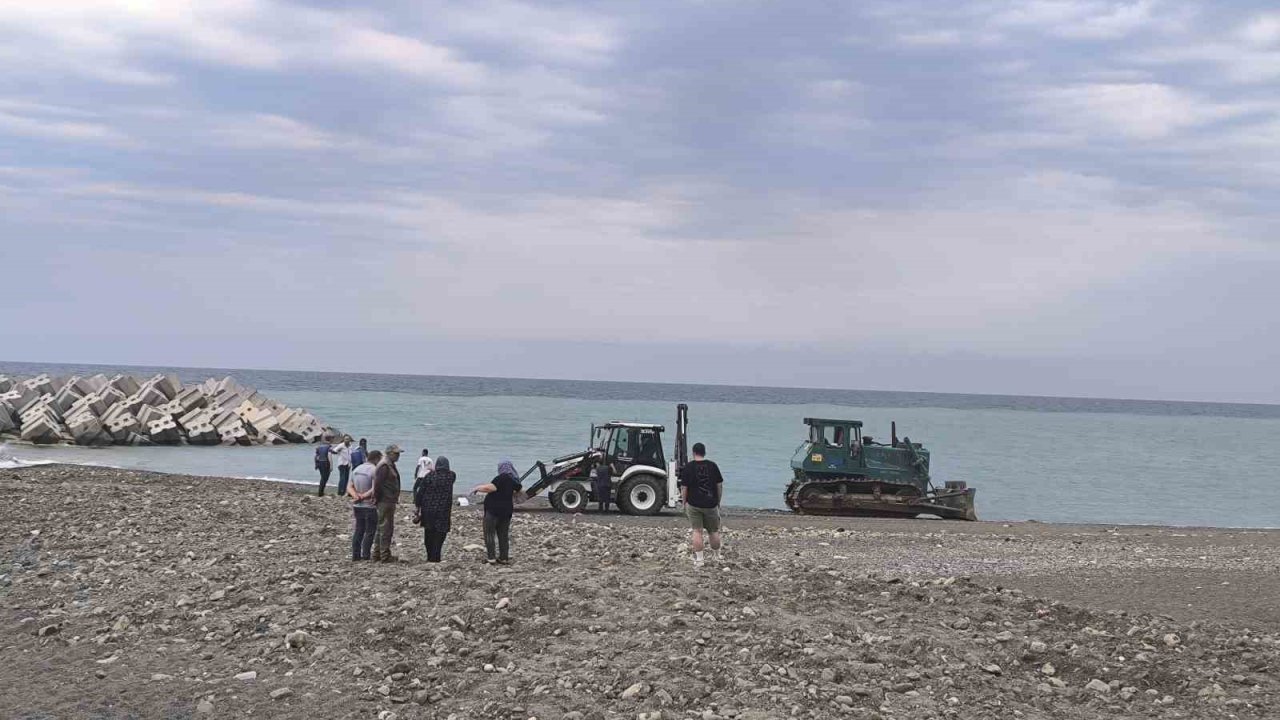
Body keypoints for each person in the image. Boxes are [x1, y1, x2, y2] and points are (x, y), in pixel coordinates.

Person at [678, 442, 724, 568]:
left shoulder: (688, 467)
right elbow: (719, 486)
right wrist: (718, 501)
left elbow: (684, 487)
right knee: (713, 531)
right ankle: (716, 557)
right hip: (710, 504)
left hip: (693, 504)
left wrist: (684, 502)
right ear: (704, 452)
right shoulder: (713, 466)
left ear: (693, 453)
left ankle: (700, 560)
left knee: (697, 531)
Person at [470, 460, 522, 565]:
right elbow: (519, 491)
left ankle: (491, 558)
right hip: (506, 512)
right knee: (503, 535)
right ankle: (504, 558)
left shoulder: (501, 478)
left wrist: (477, 488)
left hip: (493, 511)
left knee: (489, 534)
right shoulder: (514, 480)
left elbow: (490, 488)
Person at [413, 456, 456, 562]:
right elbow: (452, 473)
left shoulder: (429, 476)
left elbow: (420, 492)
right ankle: (436, 556)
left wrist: (417, 506)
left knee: (429, 532)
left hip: (428, 509)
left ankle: (429, 556)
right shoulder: (450, 476)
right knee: (440, 533)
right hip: (443, 510)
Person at [347, 449, 382, 561]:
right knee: (370, 531)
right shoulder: (374, 470)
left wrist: (355, 496)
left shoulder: (357, 469)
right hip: (369, 505)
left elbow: (349, 486)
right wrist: (362, 496)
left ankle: (355, 555)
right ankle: (365, 554)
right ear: (376, 459)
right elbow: (374, 489)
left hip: (357, 505)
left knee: (359, 530)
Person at [372, 444, 403, 562]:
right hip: (385, 501)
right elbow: (378, 484)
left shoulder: (389, 465)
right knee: (386, 528)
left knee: (382, 528)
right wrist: (378, 499)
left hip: (388, 500)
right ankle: (384, 555)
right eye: (396, 454)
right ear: (389, 453)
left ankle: (378, 554)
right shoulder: (385, 466)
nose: (398, 456)